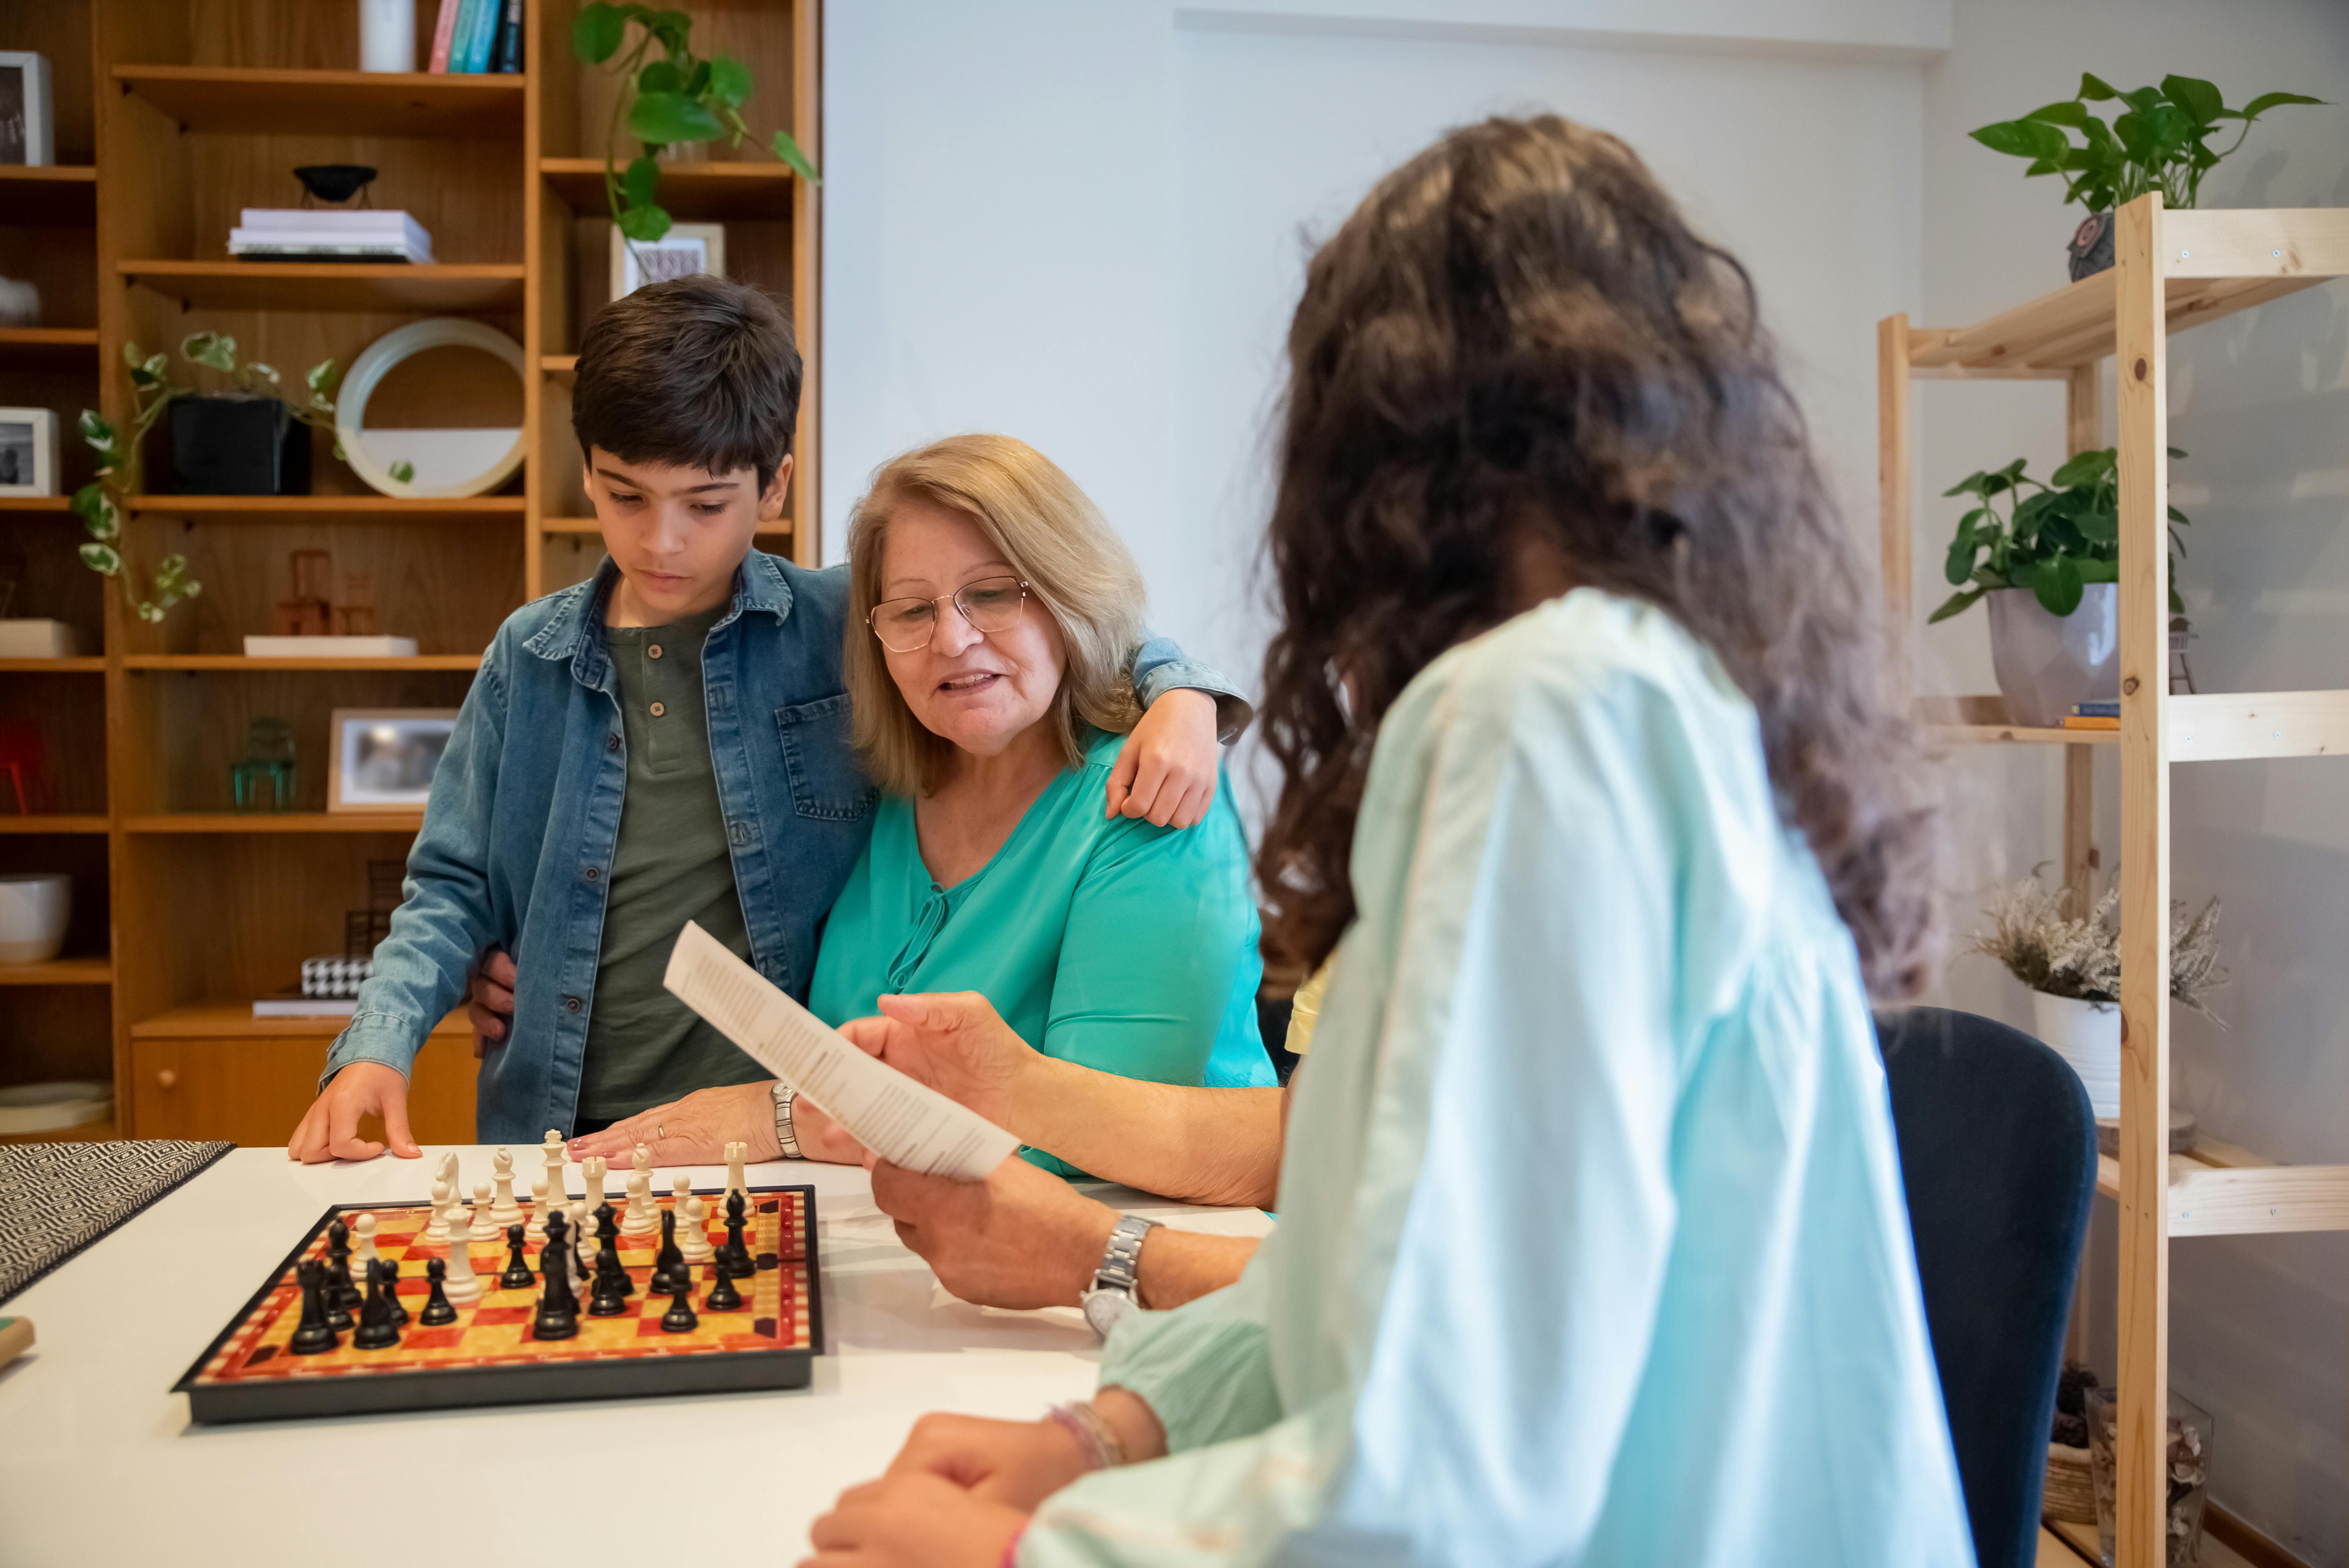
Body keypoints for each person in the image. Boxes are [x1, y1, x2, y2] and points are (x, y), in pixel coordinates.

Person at [800, 115, 1970, 1568]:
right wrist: (1107, 1433)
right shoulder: (1647, 692)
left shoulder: (1546, 711)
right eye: (912, 609)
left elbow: (1458, 1455)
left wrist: (1036, 1549)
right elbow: (1373, 1270)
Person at [286, 277, 1245, 1161]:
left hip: (779, 1132)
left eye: (705, 504)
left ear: (774, 486)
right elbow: (451, 884)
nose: (661, 539)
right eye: (626, 496)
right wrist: (382, 1039)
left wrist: (1184, 694)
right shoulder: (528, 656)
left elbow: (1055, 620)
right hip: (563, 1118)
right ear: (586, 474)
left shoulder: (837, 621)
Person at [564, 434, 1276, 1175]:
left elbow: (1097, 1140)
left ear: (1069, 595)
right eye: (910, 611)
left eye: (992, 594)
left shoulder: (1155, 795)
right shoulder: (887, 790)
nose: (953, 640)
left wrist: (784, 1115)